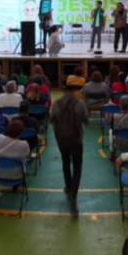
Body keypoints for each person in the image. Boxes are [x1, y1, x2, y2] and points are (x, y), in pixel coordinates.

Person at [50, 81, 90, 217]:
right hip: (76, 140)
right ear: (73, 92)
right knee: (77, 167)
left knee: (65, 162)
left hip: (61, 140)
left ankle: (68, 186)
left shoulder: (56, 104)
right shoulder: (80, 104)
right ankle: (74, 194)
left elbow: (51, 119)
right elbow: (86, 120)